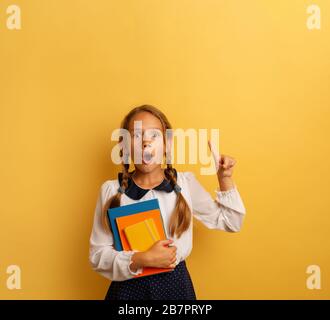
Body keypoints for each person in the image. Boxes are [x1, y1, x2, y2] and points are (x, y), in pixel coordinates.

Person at [89, 104, 246, 300]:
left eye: (154, 135)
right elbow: (97, 256)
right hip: (127, 293)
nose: (146, 143)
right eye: (136, 136)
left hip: (176, 290)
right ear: (124, 146)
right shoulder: (111, 191)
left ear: (167, 144)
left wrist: (225, 178)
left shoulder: (185, 184)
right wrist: (141, 258)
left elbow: (231, 221)